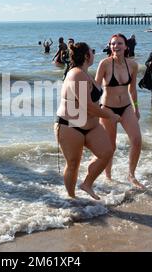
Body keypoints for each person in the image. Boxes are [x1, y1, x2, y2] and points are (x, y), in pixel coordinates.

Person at [56, 42, 119, 200]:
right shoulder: (76, 74)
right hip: (70, 126)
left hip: (91, 126)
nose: (94, 53)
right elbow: (88, 107)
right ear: (86, 55)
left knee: (107, 152)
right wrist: (110, 115)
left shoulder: (86, 73)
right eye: (92, 51)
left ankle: (87, 184)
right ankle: (71, 199)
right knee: (73, 164)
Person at [95, 34, 145, 190]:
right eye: (113, 44)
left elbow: (132, 89)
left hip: (126, 107)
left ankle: (131, 174)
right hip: (107, 109)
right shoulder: (104, 64)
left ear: (126, 46)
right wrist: (95, 111)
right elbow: (96, 88)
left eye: (119, 43)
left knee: (136, 140)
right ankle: (108, 177)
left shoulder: (133, 65)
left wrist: (136, 107)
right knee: (111, 146)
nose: (115, 46)